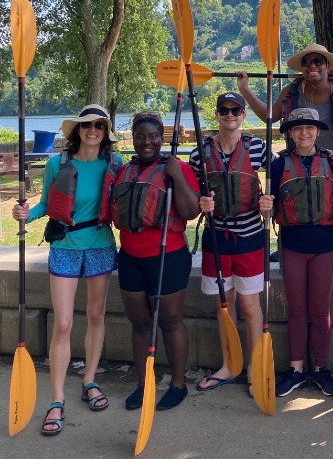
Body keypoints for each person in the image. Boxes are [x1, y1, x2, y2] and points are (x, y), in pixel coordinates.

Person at [12, 105, 122, 436]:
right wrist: (25, 215)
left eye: (99, 126)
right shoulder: (58, 164)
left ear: (105, 132)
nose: (92, 130)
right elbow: (47, 202)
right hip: (65, 246)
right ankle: (57, 399)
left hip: (101, 245)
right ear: (77, 130)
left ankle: (90, 379)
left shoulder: (114, 164)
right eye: (86, 125)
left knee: (95, 316)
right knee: (62, 324)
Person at [111, 113, 200, 412]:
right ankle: (143, 383)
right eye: (140, 136)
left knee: (170, 321)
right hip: (131, 259)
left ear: (161, 137)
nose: (146, 142)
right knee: (139, 323)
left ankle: (177, 384)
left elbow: (190, 212)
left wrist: (175, 175)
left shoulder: (176, 168)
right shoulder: (125, 170)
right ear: (133, 138)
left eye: (152, 136)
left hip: (168, 257)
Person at [190, 92, 269, 399]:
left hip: (249, 237)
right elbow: (190, 194)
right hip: (215, 240)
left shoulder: (258, 148)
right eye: (224, 110)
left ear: (243, 114)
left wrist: (268, 203)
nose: (230, 114)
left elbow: (277, 175)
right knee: (224, 305)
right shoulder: (199, 154)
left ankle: (253, 366)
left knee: (250, 306)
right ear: (217, 114)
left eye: (235, 110)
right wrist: (201, 202)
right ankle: (229, 365)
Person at [258, 108, 333, 397]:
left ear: (318, 131)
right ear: (291, 134)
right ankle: (295, 369)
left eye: (309, 128)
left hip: (325, 245)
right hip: (292, 245)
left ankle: (320, 368)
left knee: (320, 310)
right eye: (297, 129)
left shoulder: (332, 162)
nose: (304, 133)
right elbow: (268, 202)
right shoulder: (279, 166)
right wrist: (264, 205)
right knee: (297, 309)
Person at [236, 43, 333, 151]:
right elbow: (267, 116)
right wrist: (244, 89)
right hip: (302, 162)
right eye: (306, 62)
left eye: (318, 61)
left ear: (328, 66)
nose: (312, 66)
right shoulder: (291, 91)